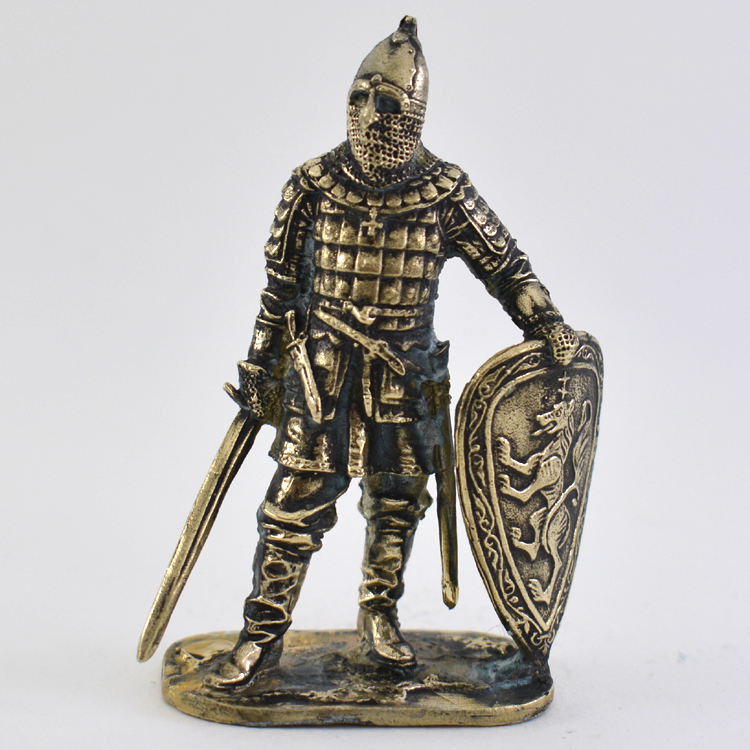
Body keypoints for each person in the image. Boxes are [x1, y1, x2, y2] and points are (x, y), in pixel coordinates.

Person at [211, 16, 577, 688]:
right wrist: (261, 366)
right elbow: (280, 289)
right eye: (357, 96)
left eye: (384, 100)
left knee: (398, 498)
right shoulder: (312, 185)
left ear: (412, 113)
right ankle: (261, 636)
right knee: (294, 501)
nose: (367, 112)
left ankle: (379, 613)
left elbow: (507, 267)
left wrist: (547, 322)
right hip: (322, 371)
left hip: (406, 374)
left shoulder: (446, 190)